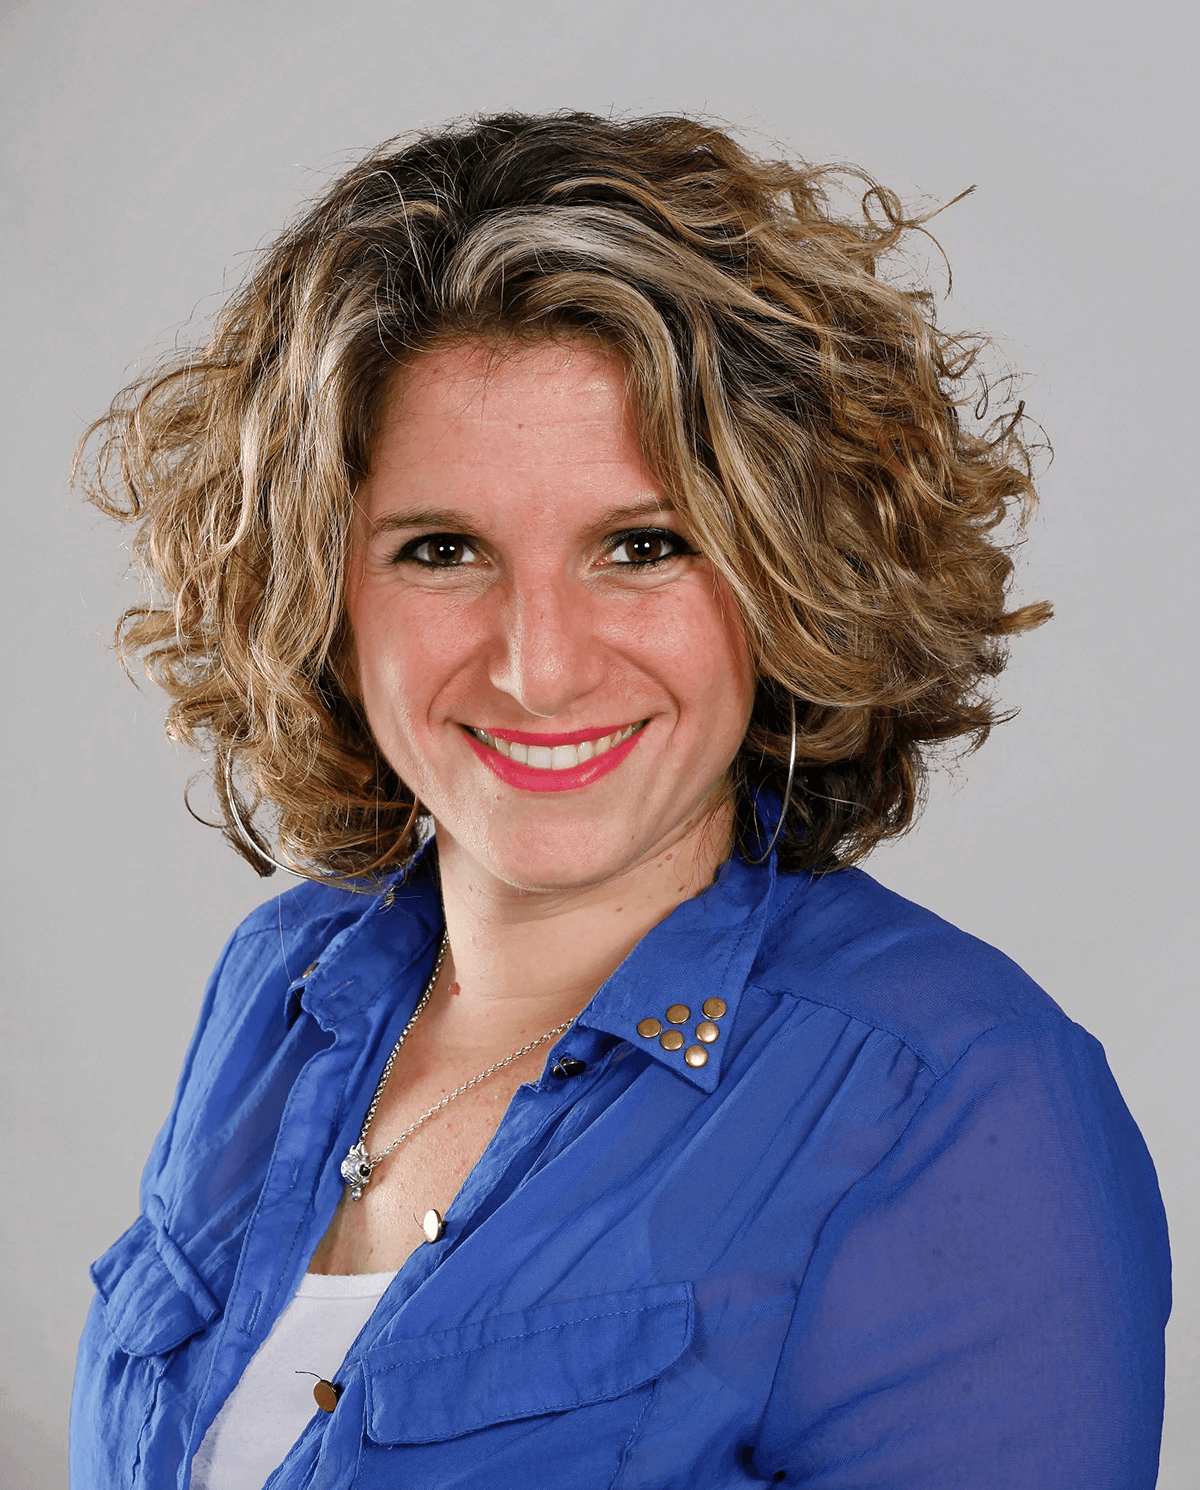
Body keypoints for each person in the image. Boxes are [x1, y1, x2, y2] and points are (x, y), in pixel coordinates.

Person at [69, 112, 1169, 1489]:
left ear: (787, 575)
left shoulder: (953, 1108)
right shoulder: (283, 988)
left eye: (641, 546)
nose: (539, 663)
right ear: (323, 595)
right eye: (442, 547)